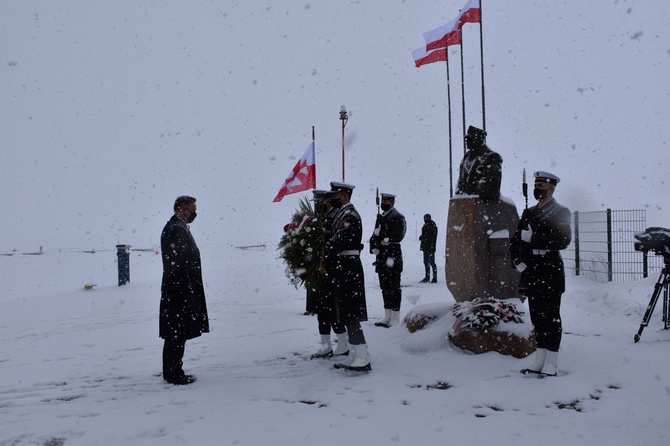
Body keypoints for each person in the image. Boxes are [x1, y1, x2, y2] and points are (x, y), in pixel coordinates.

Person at [510, 172, 571, 377]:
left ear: (551, 189)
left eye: (542, 187)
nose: (538, 190)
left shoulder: (561, 211)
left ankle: (552, 361)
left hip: (550, 269)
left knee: (551, 317)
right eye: (536, 187)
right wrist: (516, 259)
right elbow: (517, 239)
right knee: (537, 317)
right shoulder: (528, 212)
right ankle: (540, 358)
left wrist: (535, 238)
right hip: (532, 269)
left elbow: (563, 240)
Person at [159, 196, 210, 385]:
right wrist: (186, 289)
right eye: (192, 208)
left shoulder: (177, 227)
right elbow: (178, 263)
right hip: (179, 291)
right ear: (182, 209)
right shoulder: (177, 229)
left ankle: (171, 369)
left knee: (176, 332)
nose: (194, 213)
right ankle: (173, 373)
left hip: (177, 289)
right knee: (176, 333)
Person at [325, 181, 371, 372]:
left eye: (334, 195)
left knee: (351, 312)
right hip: (342, 266)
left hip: (349, 266)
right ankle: (354, 354)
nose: (331, 198)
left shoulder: (349, 215)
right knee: (344, 312)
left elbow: (340, 239)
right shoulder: (342, 214)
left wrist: (325, 240)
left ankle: (363, 356)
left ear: (343, 195)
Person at [310, 190, 349, 359]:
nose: (317, 204)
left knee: (332, 308)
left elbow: (333, 239)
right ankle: (325, 345)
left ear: (326, 200)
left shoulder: (336, 215)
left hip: (333, 268)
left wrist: (318, 233)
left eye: (319, 201)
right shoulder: (319, 217)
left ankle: (343, 343)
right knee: (323, 309)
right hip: (322, 268)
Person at [369, 193, 406, 327]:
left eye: (386, 201)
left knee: (394, 287)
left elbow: (398, 236)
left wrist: (383, 233)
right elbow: (374, 235)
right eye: (382, 201)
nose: (383, 203)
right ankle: (387, 316)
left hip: (393, 256)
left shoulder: (398, 217)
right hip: (382, 257)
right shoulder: (381, 217)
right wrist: (373, 247)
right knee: (384, 287)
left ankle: (395, 316)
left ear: (392, 202)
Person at [455, 125, 502, 199]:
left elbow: (491, 188)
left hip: (483, 205)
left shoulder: (491, 157)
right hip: (466, 204)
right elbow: (460, 184)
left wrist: (475, 195)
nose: (467, 141)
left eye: (470, 138)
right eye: (467, 138)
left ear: (479, 140)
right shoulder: (465, 158)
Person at [419, 213, 438, 283]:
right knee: (426, 262)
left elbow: (432, 237)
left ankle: (434, 278)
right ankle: (427, 277)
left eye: (426, 218)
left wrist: (423, 237)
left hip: (430, 247)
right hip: (425, 247)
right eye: (425, 218)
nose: (425, 220)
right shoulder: (426, 225)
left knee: (432, 262)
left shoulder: (432, 226)